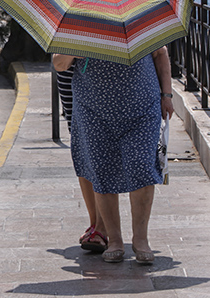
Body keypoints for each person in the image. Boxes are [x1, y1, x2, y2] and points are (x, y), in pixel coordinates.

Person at [53, 47, 174, 264]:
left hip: (141, 107)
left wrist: (166, 95)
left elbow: (160, 54)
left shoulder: (138, 16)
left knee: (142, 166)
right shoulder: (82, 22)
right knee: (102, 169)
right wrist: (74, 51)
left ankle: (141, 239)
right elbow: (59, 64)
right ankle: (115, 240)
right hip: (94, 110)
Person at [56, 63, 107, 253]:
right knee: (81, 146)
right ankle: (95, 223)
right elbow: (58, 61)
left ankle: (102, 227)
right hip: (70, 71)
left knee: (100, 149)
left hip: (100, 72)